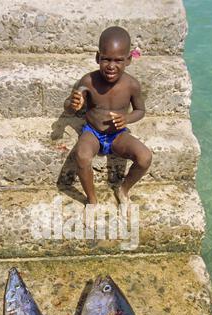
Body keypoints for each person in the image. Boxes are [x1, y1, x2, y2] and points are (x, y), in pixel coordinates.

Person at [64, 26, 152, 205]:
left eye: (118, 60)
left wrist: (126, 119)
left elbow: (140, 111)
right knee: (82, 155)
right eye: (106, 59)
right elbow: (69, 105)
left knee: (145, 157)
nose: (111, 66)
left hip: (118, 134)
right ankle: (92, 199)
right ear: (98, 57)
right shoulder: (88, 81)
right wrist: (72, 104)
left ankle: (124, 190)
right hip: (93, 133)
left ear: (128, 60)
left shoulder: (131, 85)